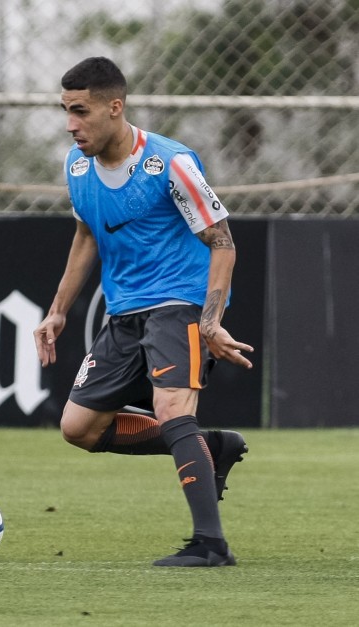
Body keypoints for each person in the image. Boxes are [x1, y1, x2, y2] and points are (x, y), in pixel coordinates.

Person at [33, 57, 254, 567]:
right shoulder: (77, 166)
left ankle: (211, 545)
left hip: (180, 304)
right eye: (66, 111)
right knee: (79, 428)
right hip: (125, 313)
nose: (71, 124)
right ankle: (210, 447)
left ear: (115, 107)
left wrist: (210, 320)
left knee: (173, 410)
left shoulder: (171, 163)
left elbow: (222, 243)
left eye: (81, 111)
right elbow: (87, 234)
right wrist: (58, 310)